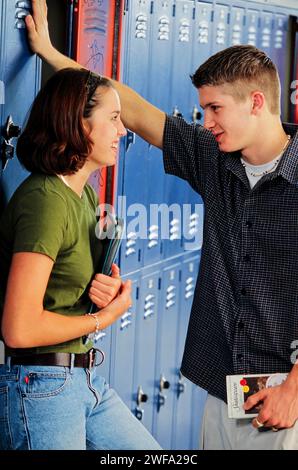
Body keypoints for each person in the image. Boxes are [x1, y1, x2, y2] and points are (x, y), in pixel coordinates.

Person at [22, 0, 298, 450]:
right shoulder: (214, 159)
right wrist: (53, 55)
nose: (205, 123)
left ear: (256, 102)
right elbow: (126, 106)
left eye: (214, 109)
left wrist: (295, 390)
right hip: (222, 396)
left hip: (285, 403)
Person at [0, 66, 162, 450]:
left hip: (83, 378)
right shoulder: (45, 202)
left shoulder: (83, 195)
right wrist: (103, 317)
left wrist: (102, 290)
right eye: (113, 119)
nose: (123, 132)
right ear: (79, 123)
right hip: (41, 387)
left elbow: (66, 287)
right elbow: (18, 329)